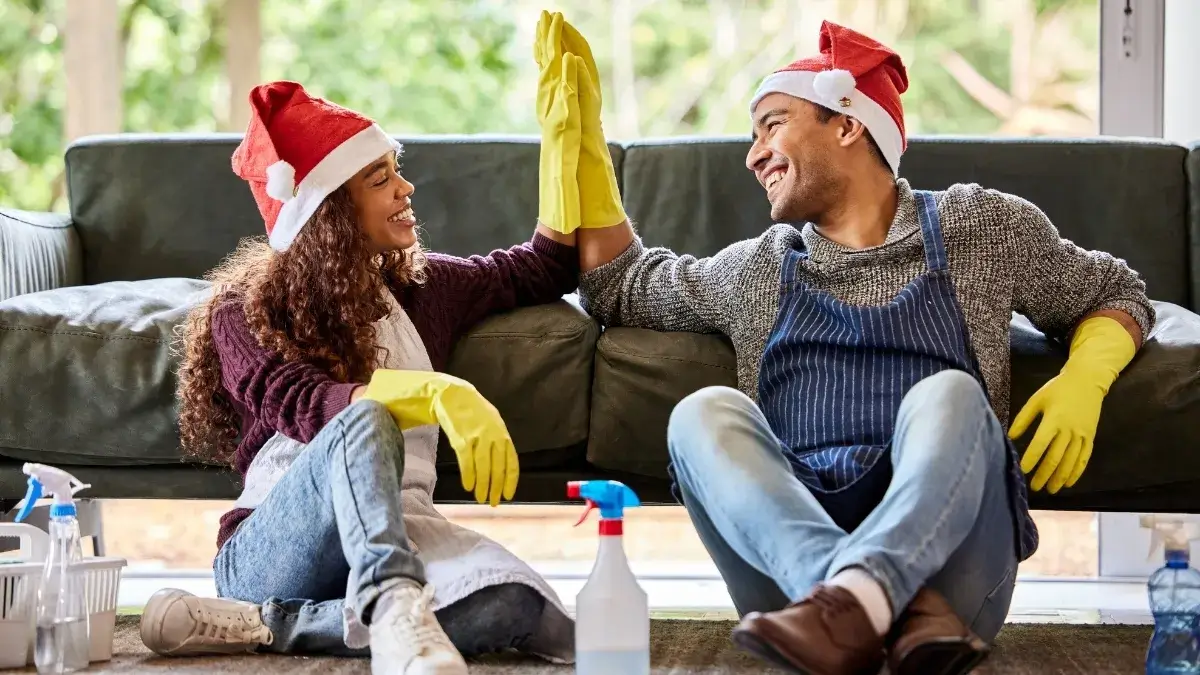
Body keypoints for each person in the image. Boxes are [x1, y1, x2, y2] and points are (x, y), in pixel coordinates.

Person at [534, 12, 1154, 675]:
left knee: (950, 394)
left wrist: (1085, 379)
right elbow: (620, 284)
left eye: (772, 124)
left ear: (849, 122)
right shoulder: (761, 268)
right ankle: (858, 600)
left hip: (955, 575)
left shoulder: (980, 227)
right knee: (700, 415)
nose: (752, 154)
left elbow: (1117, 291)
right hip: (813, 594)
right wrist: (582, 134)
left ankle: (854, 602)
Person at [138, 79, 584, 674]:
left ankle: (273, 624)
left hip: (396, 531)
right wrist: (436, 390)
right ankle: (395, 603)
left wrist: (563, 136)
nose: (406, 188)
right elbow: (307, 404)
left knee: (514, 604)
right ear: (329, 212)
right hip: (274, 550)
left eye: (396, 170)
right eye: (380, 179)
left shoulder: (422, 290)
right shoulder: (243, 310)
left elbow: (541, 267)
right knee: (363, 417)